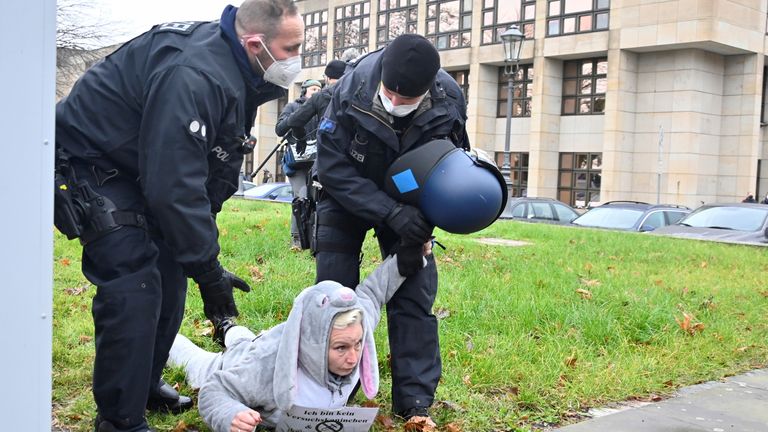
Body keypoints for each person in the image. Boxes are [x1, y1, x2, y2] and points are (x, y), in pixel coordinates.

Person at [53, 1, 303, 431]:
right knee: (135, 282)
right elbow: (174, 186)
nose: (296, 59)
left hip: (142, 163)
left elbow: (203, 173)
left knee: (170, 273)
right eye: (291, 47)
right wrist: (210, 273)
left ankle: (144, 383)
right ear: (256, 43)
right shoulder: (195, 74)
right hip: (93, 162)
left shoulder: (236, 67)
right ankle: (119, 419)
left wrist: (198, 256)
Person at [313, 34, 470, 426]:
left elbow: (449, 165)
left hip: (411, 200)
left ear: (428, 89)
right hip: (346, 192)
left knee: (413, 294)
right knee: (335, 295)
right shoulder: (352, 87)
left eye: (408, 99)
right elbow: (331, 167)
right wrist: (387, 210)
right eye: (391, 94)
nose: (396, 103)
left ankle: (415, 401)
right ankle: (331, 391)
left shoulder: (448, 99)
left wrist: (421, 224)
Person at [167, 251, 428, 432]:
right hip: (246, 359)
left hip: (266, 341)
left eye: (357, 345)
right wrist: (230, 414)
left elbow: (373, 293)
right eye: (340, 348)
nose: (353, 358)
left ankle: (227, 326)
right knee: (189, 355)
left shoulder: (354, 327)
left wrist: (407, 257)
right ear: (313, 342)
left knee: (244, 339)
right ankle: (191, 334)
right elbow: (215, 389)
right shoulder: (263, 368)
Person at [275, 78, 323, 248]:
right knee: (301, 198)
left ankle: (313, 240)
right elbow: (280, 128)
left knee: (316, 200)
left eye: (319, 89)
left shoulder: (322, 108)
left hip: (316, 162)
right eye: (313, 89)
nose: (316, 91)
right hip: (296, 162)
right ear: (304, 91)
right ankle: (297, 240)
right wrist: (296, 122)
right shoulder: (292, 107)